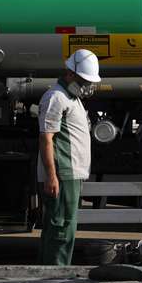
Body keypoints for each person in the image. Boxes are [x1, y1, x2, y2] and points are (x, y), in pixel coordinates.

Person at [37, 49, 101, 265]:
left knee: (61, 227)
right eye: (84, 80)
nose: (87, 86)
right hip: (63, 174)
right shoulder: (56, 97)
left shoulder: (72, 99)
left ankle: (47, 275)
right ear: (70, 74)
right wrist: (52, 176)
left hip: (70, 175)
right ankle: (54, 276)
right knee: (61, 230)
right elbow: (46, 139)